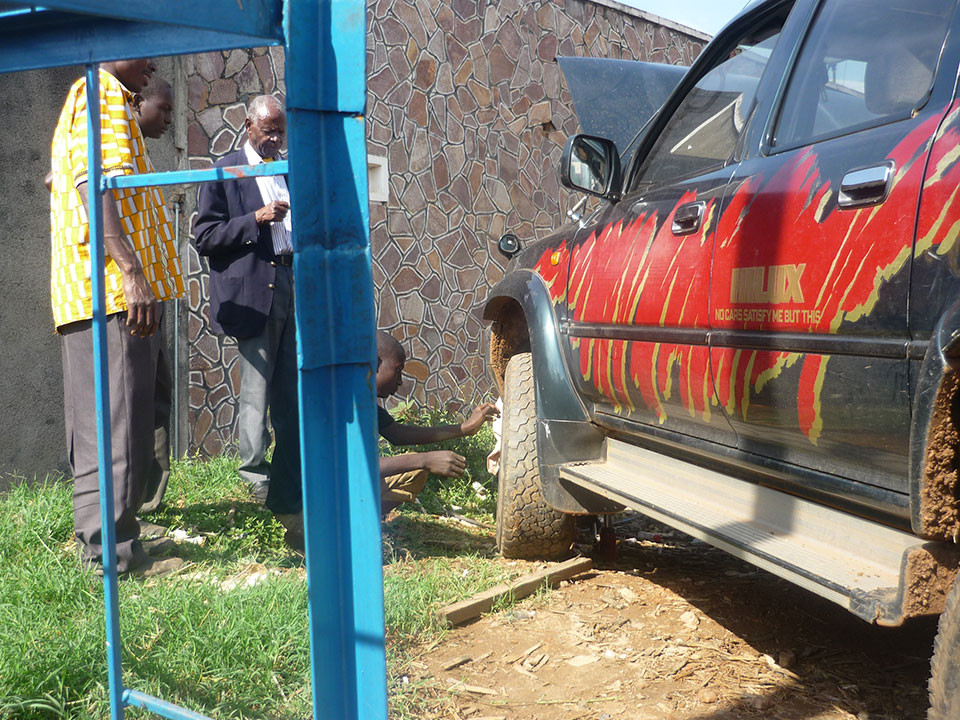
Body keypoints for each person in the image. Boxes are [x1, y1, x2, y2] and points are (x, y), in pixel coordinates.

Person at [50, 59, 185, 575]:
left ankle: (118, 530)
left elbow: (69, 174)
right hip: (108, 293)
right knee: (115, 423)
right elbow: (92, 182)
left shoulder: (105, 99)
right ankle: (114, 556)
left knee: (123, 419)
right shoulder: (100, 92)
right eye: (146, 50)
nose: (154, 65)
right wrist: (130, 270)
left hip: (110, 293)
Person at [193, 95, 301, 544]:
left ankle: (288, 484)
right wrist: (254, 218)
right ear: (247, 125)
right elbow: (204, 235)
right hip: (253, 293)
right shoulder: (227, 170)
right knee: (256, 393)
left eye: (280, 131)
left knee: (290, 393)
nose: (275, 139)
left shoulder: (285, 168)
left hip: (290, 283)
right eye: (268, 131)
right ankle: (254, 482)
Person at [376, 331, 499, 515]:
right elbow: (354, 468)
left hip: (352, 486)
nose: (400, 381)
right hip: (332, 493)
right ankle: (357, 528)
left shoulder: (365, 404)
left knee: (414, 473)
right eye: (398, 370)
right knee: (416, 465)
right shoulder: (341, 406)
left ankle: (368, 521)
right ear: (374, 364)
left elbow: (398, 434)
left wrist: (465, 428)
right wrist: (425, 459)